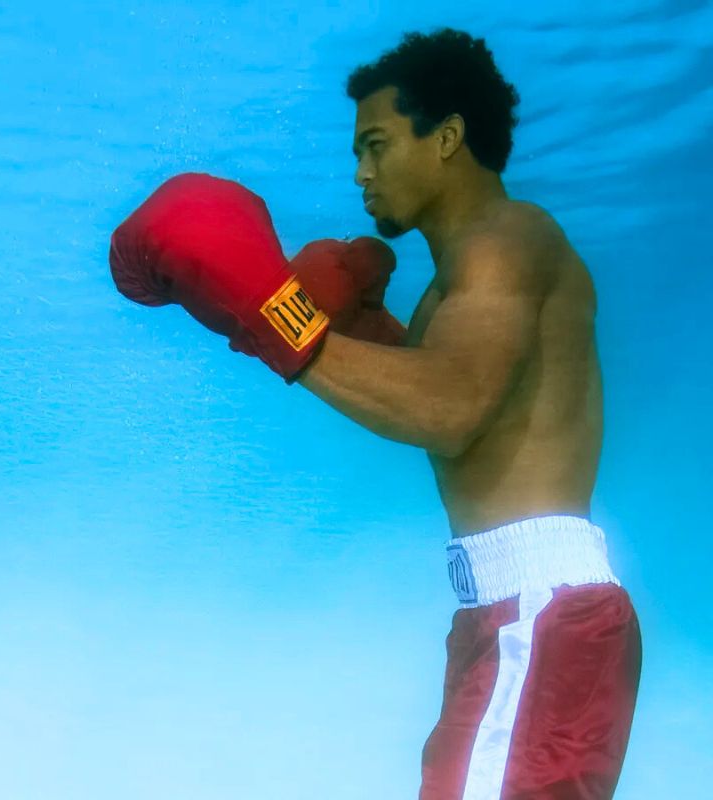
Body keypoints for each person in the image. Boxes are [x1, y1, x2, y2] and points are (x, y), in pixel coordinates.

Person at [110, 28, 641, 800]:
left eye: (378, 144)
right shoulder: (466, 273)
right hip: (521, 618)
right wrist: (348, 329)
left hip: (538, 619)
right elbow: (458, 401)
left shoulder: (506, 242)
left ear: (449, 137)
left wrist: (279, 320)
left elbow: (449, 409)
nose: (360, 171)